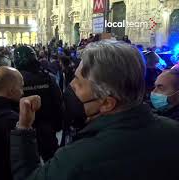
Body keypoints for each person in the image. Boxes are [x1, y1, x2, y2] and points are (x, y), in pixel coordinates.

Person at [10, 40, 179, 180]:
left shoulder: (75, 161)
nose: (70, 87)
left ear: (107, 103)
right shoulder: (173, 132)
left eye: (77, 82)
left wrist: (23, 129)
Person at [14, 46, 64, 161]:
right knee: (52, 162)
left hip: (24, 130)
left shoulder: (15, 81)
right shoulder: (47, 77)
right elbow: (58, 102)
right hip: (47, 128)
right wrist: (58, 125)